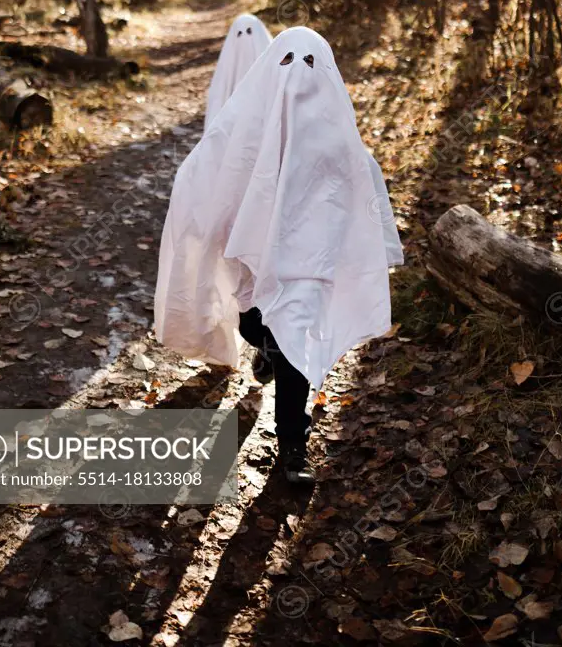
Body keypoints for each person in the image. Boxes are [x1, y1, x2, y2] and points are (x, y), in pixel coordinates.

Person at [154, 27, 403, 484]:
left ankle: (293, 446)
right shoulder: (245, 129)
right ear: (270, 67)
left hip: (308, 269)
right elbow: (209, 172)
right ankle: (265, 348)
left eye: (310, 64)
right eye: (287, 63)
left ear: (326, 71)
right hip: (251, 261)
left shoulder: (340, 140)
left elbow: (359, 185)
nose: (297, 77)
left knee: (294, 347)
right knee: (255, 325)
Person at [204, 13, 272, 130]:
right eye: (239, 34)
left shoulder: (271, 63)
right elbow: (218, 99)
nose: (245, 38)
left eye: (250, 32)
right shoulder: (228, 65)